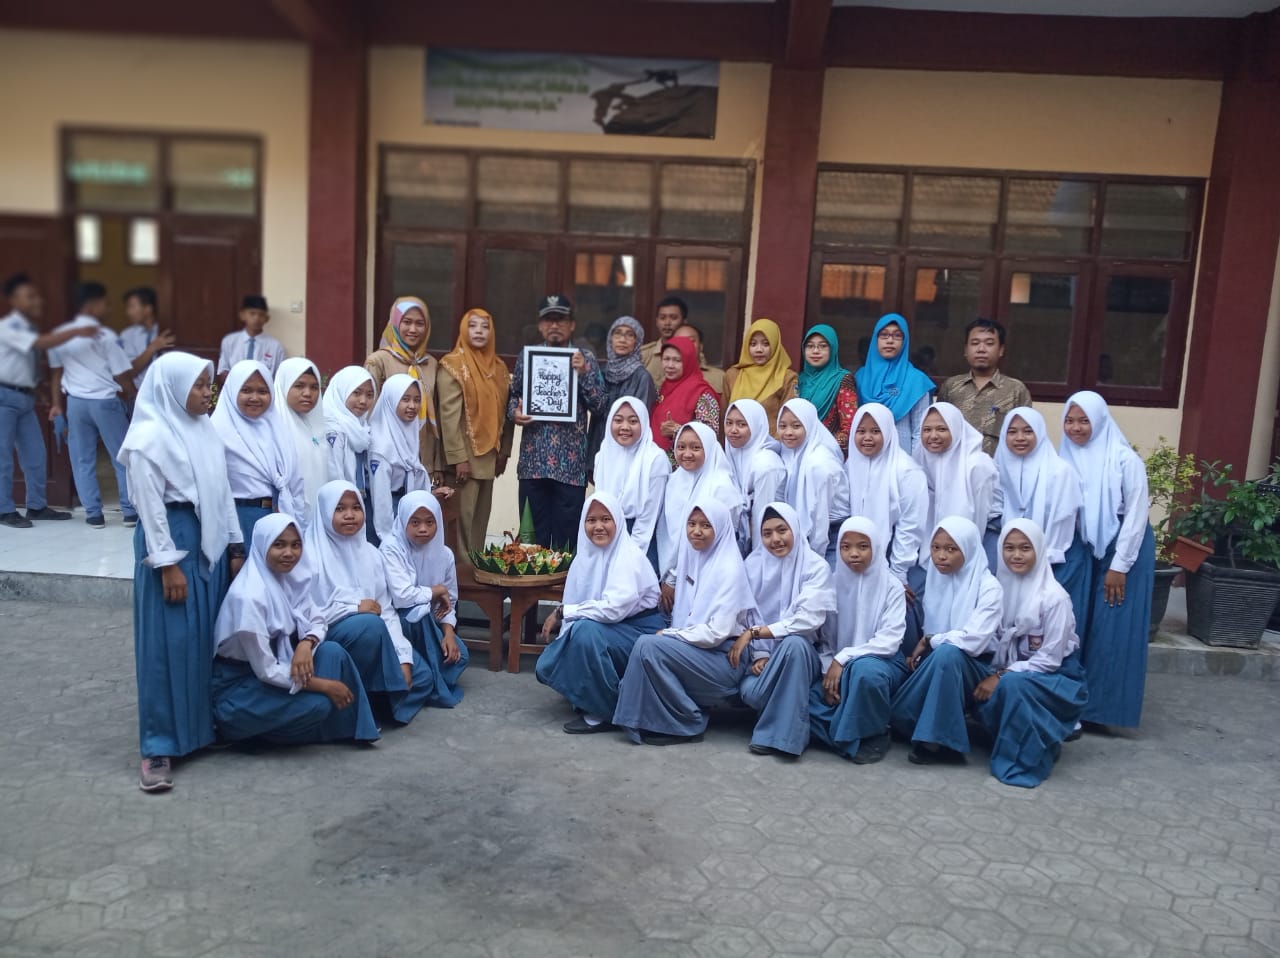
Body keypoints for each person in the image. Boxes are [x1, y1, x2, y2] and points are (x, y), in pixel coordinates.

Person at [117, 352, 243, 792]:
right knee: (166, 646)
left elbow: (222, 490)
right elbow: (149, 506)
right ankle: (158, 747)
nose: (208, 393)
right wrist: (167, 564)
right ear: (171, 388)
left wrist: (234, 545)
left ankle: (198, 732)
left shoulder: (203, 429)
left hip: (207, 541)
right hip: (170, 540)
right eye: (199, 385)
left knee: (201, 640)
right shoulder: (148, 438)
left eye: (209, 385)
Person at [211, 513, 380, 747]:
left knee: (332, 651)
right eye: (279, 545)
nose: (289, 553)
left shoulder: (290, 578)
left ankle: (348, 727)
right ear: (262, 545)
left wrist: (306, 643)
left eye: (296, 545)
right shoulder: (248, 597)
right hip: (240, 687)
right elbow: (267, 671)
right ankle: (245, 732)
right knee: (319, 704)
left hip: (280, 665)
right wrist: (326, 686)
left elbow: (317, 619)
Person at [613, 497, 760, 746]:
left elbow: (717, 632)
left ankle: (686, 721)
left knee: (649, 646)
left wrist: (671, 636)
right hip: (698, 650)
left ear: (720, 527)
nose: (696, 531)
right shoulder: (692, 557)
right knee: (647, 648)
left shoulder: (729, 568)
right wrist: (673, 636)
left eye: (706, 525)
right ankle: (649, 718)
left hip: (725, 658)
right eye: (692, 524)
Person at [1058, 391, 1155, 730]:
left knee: (1113, 626)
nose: (1076, 428)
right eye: (1070, 421)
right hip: (1084, 545)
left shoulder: (1124, 459)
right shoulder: (1066, 456)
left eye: (1084, 421)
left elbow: (1137, 515)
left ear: (1099, 421)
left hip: (1126, 546)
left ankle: (1104, 712)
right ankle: (1071, 701)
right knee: (1078, 621)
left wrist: (1120, 565)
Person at [304, 480, 433, 726]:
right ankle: (362, 704)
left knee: (423, 677)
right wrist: (353, 608)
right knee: (368, 625)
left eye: (356, 508)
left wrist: (403, 658)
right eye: (340, 508)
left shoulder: (371, 554)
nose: (349, 515)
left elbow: (386, 610)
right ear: (325, 511)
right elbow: (304, 612)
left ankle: (372, 704)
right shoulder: (309, 555)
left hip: (375, 635)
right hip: (328, 640)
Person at [535, 493, 665, 732]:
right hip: (609, 630)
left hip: (639, 633)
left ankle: (607, 712)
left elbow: (613, 610)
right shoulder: (584, 558)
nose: (598, 526)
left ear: (618, 521)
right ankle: (593, 695)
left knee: (585, 631)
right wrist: (565, 648)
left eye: (606, 519)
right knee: (548, 665)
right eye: (591, 520)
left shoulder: (628, 556)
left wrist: (565, 612)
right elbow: (574, 603)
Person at [974, 519, 1088, 788]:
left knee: (1013, 686)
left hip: (1056, 678)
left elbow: (1050, 659)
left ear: (1039, 549)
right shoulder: (997, 589)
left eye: (1025, 548)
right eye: (1009, 548)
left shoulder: (1054, 598)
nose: (1016, 555)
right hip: (1012, 670)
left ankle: (1024, 760)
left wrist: (1001, 675)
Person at [890, 516, 1003, 766]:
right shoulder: (936, 578)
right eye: (936, 548)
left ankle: (939, 742)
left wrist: (931, 640)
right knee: (936, 657)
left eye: (952, 549)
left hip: (978, 667)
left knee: (947, 653)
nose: (941, 556)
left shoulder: (989, 587)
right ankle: (911, 722)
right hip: (942, 660)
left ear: (969, 549)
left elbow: (973, 642)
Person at [734, 503, 836, 758]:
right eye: (767, 533)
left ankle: (779, 738)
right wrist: (760, 655)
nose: (775, 539)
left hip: (805, 656)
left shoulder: (815, 567)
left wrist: (758, 633)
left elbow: (808, 620)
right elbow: (745, 616)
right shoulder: (752, 566)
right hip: (762, 662)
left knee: (794, 644)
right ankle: (794, 715)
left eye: (782, 530)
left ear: (795, 529)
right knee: (753, 694)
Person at [508, 294, 607, 549]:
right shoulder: (527, 356)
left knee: (567, 544)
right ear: (540, 325)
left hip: (570, 468)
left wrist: (584, 373)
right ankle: (534, 578)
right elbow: (514, 395)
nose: (554, 325)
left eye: (560, 320)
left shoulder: (585, 358)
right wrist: (514, 413)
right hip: (533, 464)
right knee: (532, 542)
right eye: (548, 320)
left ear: (571, 325)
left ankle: (565, 578)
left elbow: (600, 405)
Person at [808, 517, 910, 765]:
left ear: (876, 547)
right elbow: (826, 641)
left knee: (865, 674)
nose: (853, 554)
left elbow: (889, 641)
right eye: (845, 547)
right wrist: (829, 672)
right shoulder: (832, 584)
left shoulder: (892, 586)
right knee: (805, 699)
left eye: (863, 546)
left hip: (881, 662)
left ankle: (872, 732)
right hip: (837, 665)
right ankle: (853, 734)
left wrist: (843, 659)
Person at [0, 273, 94, 528]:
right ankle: (4, 510)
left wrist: (40, 390)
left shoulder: (28, 327)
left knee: (36, 455)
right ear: (13, 300)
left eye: (36, 296)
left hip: (24, 398)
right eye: (30, 296)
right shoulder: (8, 327)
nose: (36, 301)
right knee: (3, 457)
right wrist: (77, 331)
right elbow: (42, 343)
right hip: (4, 398)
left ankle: (37, 506)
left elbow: (23, 364)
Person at [47, 281, 137, 529]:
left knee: (82, 460)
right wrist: (135, 395)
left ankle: (93, 514)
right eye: (105, 303)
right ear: (94, 304)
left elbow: (56, 373)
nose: (108, 308)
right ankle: (130, 512)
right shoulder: (105, 336)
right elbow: (121, 374)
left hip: (75, 403)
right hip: (105, 403)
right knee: (122, 457)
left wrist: (57, 405)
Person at [994, 407, 1088, 629]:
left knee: (1048, 623)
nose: (1020, 438)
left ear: (1040, 432)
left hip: (1055, 561)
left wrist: (1042, 558)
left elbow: (1063, 520)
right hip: (1012, 561)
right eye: (1012, 432)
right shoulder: (998, 468)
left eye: (1028, 431)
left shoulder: (1060, 471)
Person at [845, 404, 929, 647]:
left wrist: (897, 573)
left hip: (897, 557)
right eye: (861, 431)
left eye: (875, 431)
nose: (867, 438)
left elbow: (910, 526)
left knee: (900, 604)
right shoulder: (852, 465)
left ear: (889, 432)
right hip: (856, 554)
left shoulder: (906, 471)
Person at [379, 491, 469, 708]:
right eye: (415, 522)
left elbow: (450, 601)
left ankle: (426, 674)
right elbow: (402, 597)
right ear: (403, 521)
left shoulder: (444, 554)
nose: (423, 529)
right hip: (400, 622)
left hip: (429, 622)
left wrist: (449, 634)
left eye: (430, 522)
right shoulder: (391, 548)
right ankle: (426, 677)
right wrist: (436, 590)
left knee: (460, 655)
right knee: (419, 614)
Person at [437, 307, 513, 561]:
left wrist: (504, 451)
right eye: (473, 326)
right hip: (464, 462)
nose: (479, 331)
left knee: (480, 523)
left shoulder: (499, 369)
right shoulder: (452, 366)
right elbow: (449, 416)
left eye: (485, 326)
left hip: (490, 458)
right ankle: (461, 577)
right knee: (461, 524)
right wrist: (458, 457)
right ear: (463, 330)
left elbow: (506, 413)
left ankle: (477, 571)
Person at [211, 359, 305, 544]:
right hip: (239, 520)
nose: (255, 398)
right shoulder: (218, 431)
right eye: (246, 390)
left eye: (262, 391)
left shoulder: (278, 429)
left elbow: (296, 482)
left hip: (280, 517)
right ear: (232, 391)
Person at [656, 421, 743, 598]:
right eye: (681, 447)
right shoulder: (674, 481)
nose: (687, 454)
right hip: (667, 572)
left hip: (708, 574)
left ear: (709, 448)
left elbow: (718, 542)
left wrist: (675, 578)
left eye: (696, 447)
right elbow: (667, 533)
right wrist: (669, 575)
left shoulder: (721, 488)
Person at [913, 402, 999, 567]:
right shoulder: (920, 458)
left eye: (941, 429)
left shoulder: (978, 465)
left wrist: (968, 557)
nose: (933, 436)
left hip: (980, 538)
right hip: (931, 546)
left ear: (956, 429)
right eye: (927, 430)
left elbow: (980, 516)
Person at [365, 296, 442, 478]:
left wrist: (437, 465)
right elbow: (369, 413)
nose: (413, 329)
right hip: (389, 460)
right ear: (395, 323)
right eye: (407, 322)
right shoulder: (378, 361)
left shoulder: (431, 364)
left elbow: (436, 416)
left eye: (419, 323)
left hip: (423, 460)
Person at [592, 396, 668, 568]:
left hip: (643, 537)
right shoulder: (603, 455)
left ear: (644, 423)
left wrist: (630, 557)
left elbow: (649, 516)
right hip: (607, 533)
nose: (625, 427)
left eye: (633, 421)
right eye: (618, 420)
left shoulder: (655, 459)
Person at [937, 318, 1032, 457]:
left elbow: (1025, 433)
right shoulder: (951, 387)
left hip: (998, 466)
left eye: (989, 343)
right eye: (975, 343)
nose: (981, 349)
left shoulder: (1016, 390)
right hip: (955, 465)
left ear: (1001, 350)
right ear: (965, 350)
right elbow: (938, 428)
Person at [777, 398, 850, 566]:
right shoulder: (791, 452)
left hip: (831, 535)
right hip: (805, 534)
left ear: (809, 425)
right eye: (783, 426)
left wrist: (815, 559)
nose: (788, 432)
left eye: (796, 426)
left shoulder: (819, 464)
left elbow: (820, 518)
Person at [854, 313, 934, 454]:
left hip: (901, 459)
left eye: (897, 336)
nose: (890, 341)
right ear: (875, 340)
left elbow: (919, 432)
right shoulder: (860, 378)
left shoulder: (916, 381)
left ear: (905, 341)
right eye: (884, 335)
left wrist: (913, 465)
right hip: (865, 458)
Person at [586, 315, 657, 473]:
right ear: (610, 339)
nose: (622, 340)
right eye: (617, 333)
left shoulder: (642, 377)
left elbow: (640, 420)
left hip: (627, 453)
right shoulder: (602, 372)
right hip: (600, 447)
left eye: (629, 335)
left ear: (637, 342)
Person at [366, 374, 431, 545]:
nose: (412, 406)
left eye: (417, 400)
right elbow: (380, 498)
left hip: (405, 508)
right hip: (384, 516)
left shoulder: (408, 431)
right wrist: (389, 538)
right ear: (391, 400)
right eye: (405, 399)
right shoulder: (381, 444)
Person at [723, 399, 786, 554]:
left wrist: (758, 559)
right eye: (729, 423)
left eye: (742, 424)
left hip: (769, 543)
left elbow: (763, 517)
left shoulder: (766, 465)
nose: (733, 430)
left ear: (756, 426)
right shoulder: (734, 453)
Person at [273, 357, 330, 518]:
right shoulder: (274, 429)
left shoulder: (318, 426)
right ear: (284, 385)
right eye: (299, 386)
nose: (307, 393)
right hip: (285, 518)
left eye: (314, 387)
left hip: (317, 517)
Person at [723, 318, 798, 439]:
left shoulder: (786, 377)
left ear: (775, 345)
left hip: (770, 445)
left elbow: (789, 419)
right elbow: (724, 416)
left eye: (766, 344)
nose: (759, 349)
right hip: (735, 444)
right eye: (753, 344)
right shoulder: (732, 375)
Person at [650, 334, 720, 461]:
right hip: (656, 463)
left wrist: (678, 431)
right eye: (666, 359)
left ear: (689, 361)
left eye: (677, 360)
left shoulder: (703, 393)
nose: (670, 365)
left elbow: (710, 434)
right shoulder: (662, 390)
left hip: (685, 464)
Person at [798, 324, 859, 455]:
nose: (815, 351)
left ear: (833, 349)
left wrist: (824, 448)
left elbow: (849, 427)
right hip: (797, 450)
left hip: (826, 453)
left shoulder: (843, 379)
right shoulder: (798, 379)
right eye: (810, 346)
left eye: (823, 346)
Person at [322, 366, 376, 500]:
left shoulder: (361, 427)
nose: (363, 401)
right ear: (341, 391)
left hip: (358, 501)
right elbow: (334, 477)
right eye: (356, 393)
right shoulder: (333, 430)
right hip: (341, 503)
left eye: (369, 395)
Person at [216, 295, 285, 383]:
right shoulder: (229, 341)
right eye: (252, 313)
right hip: (234, 387)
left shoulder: (275, 346)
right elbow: (223, 370)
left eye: (261, 315)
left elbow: (280, 376)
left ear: (267, 319)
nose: (257, 318)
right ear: (242, 315)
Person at [117, 287, 175, 389]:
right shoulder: (127, 335)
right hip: (138, 392)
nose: (128, 312)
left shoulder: (165, 331)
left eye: (132, 307)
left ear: (148, 308)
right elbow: (127, 372)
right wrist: (151, 349)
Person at [640, 295, 690, 385]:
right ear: (656, 321)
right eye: (662, 318)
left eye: (673, 318)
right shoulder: (644, 355)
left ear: (684, 321)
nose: (667, 323)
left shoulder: (692, 355)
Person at [673, 322, 725, 396]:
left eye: (691, 341)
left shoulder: (719, 377)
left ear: (700, 346)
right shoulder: (667, 377)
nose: (686, 345)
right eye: (680, 341)